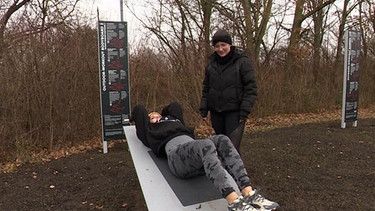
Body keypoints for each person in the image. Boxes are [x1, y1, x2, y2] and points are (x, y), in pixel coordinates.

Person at [130, 102, 278, 211]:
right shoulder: (150, 131)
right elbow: (140, 110)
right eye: (152, 116)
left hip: (196, 154)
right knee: (205, 144)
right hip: (177, 157)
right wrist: (139, 118)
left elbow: (174, 106)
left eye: (157, 115)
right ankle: (234, 202)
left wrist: (164, 115)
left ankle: (248, 192)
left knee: (222, 139)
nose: (155, 116)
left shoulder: (175, 121)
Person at [200, 29, 257, 154]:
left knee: (232, 148)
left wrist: (244, 111)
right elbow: (206, 88)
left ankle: (237, 173)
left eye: (223, 45)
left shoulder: (242, 62)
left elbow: (251, 88)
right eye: (217, 46)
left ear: (229, 45)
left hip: (235, 112)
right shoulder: (211, 65)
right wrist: (204, 109)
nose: (220, 49)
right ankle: (222, 172)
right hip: (216, 112)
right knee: (220, 146)